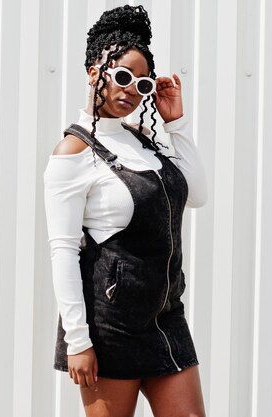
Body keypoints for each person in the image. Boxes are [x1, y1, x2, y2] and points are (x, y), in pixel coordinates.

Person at [44, 5, 208, 417]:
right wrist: (78, 341)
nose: (130, 90)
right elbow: (62, 249)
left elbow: (198, 194)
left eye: (142, 83)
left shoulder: (144, 141)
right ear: (94, 70)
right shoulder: (73, 153)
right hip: (110, 327)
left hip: (167, 316)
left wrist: (177, 125)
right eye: (121, 76)